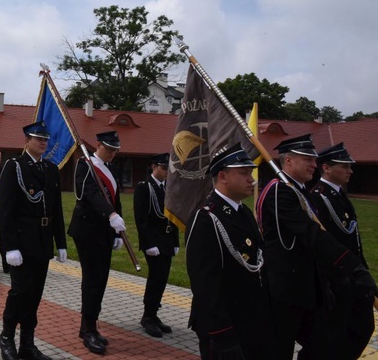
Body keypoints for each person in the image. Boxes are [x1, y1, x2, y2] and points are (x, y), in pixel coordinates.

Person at [256, 134, 376, 359]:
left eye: (314, 159)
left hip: (309, 288)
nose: (314, 164)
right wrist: (351, 266)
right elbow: (311, 233)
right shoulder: (280, 190)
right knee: (280, 349)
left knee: (323, 346)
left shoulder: (298, 189)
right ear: (289, 160)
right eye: (307, 159)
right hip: (286, 289)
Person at [186, 143, 275, 359]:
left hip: (252, 318)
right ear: (223, 177)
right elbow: (204, 284)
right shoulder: (206, 218)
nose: (251, 180)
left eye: (251, 173)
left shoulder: (243, 212)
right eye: (243, 173)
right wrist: (221, 334)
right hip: (225, 325)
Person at [0, 121, 67, 360]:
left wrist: (61, 242)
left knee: (35, 294)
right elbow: (5, 211)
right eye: (38, 139)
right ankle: (6, 336)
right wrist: (10, 247)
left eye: (46, 140)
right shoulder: (14, 166)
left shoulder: (50, 169)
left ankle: (28, 343)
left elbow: (56, 209)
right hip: (22, 242)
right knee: (19, 292)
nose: (43, 143)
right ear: (26, 141)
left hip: (43, 241)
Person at [309, 143, 374, 359]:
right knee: (337, 337)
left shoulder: (338, 196)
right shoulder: (318, 198)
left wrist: (363, 271)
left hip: (354, 275)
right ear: (326, 168)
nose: (350, 171)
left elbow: (353, 239)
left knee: (362, 329)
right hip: (337, 281)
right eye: (344, 166)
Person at [68, 131, 126, 355]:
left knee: (101, 280)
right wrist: (111, 215)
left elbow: (115, 198)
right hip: (88, 230)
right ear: (99, 145)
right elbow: (90, 194)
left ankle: (88, 325)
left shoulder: (111, 169)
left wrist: (118, 232)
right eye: (109, 149)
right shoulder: (85, 165)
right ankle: (89, 329)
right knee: (92, 280)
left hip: (105, 233)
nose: (112, 154)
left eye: (115, 151)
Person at [133, 152, 179, 338]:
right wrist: (148, 243)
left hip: (167, 240)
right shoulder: (145, 188)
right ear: (153, 167)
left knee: (162, 278)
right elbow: (141, 219)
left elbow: (173, 216)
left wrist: (175, 241)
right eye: (163, 167)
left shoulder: (169, 187)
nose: (166, 171)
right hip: (153, 241)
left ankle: (154, 314)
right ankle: (148, 316)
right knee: (155, 278)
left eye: (168, 167)